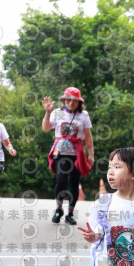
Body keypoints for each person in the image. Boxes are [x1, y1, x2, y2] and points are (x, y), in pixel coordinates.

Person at [42, 87, 95, 225]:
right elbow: (46, 128)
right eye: (68, 100)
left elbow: (88, 137)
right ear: (64, 100)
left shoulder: (83, 115)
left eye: (74, 100)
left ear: (79, 102)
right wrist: (47, 112)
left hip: (77, 154)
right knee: (61, 181)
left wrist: (91, 154)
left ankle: (70, 213)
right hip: (61, 154)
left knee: (74, 183)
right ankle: (59, 209)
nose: (71, 103)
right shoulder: (58, 113)